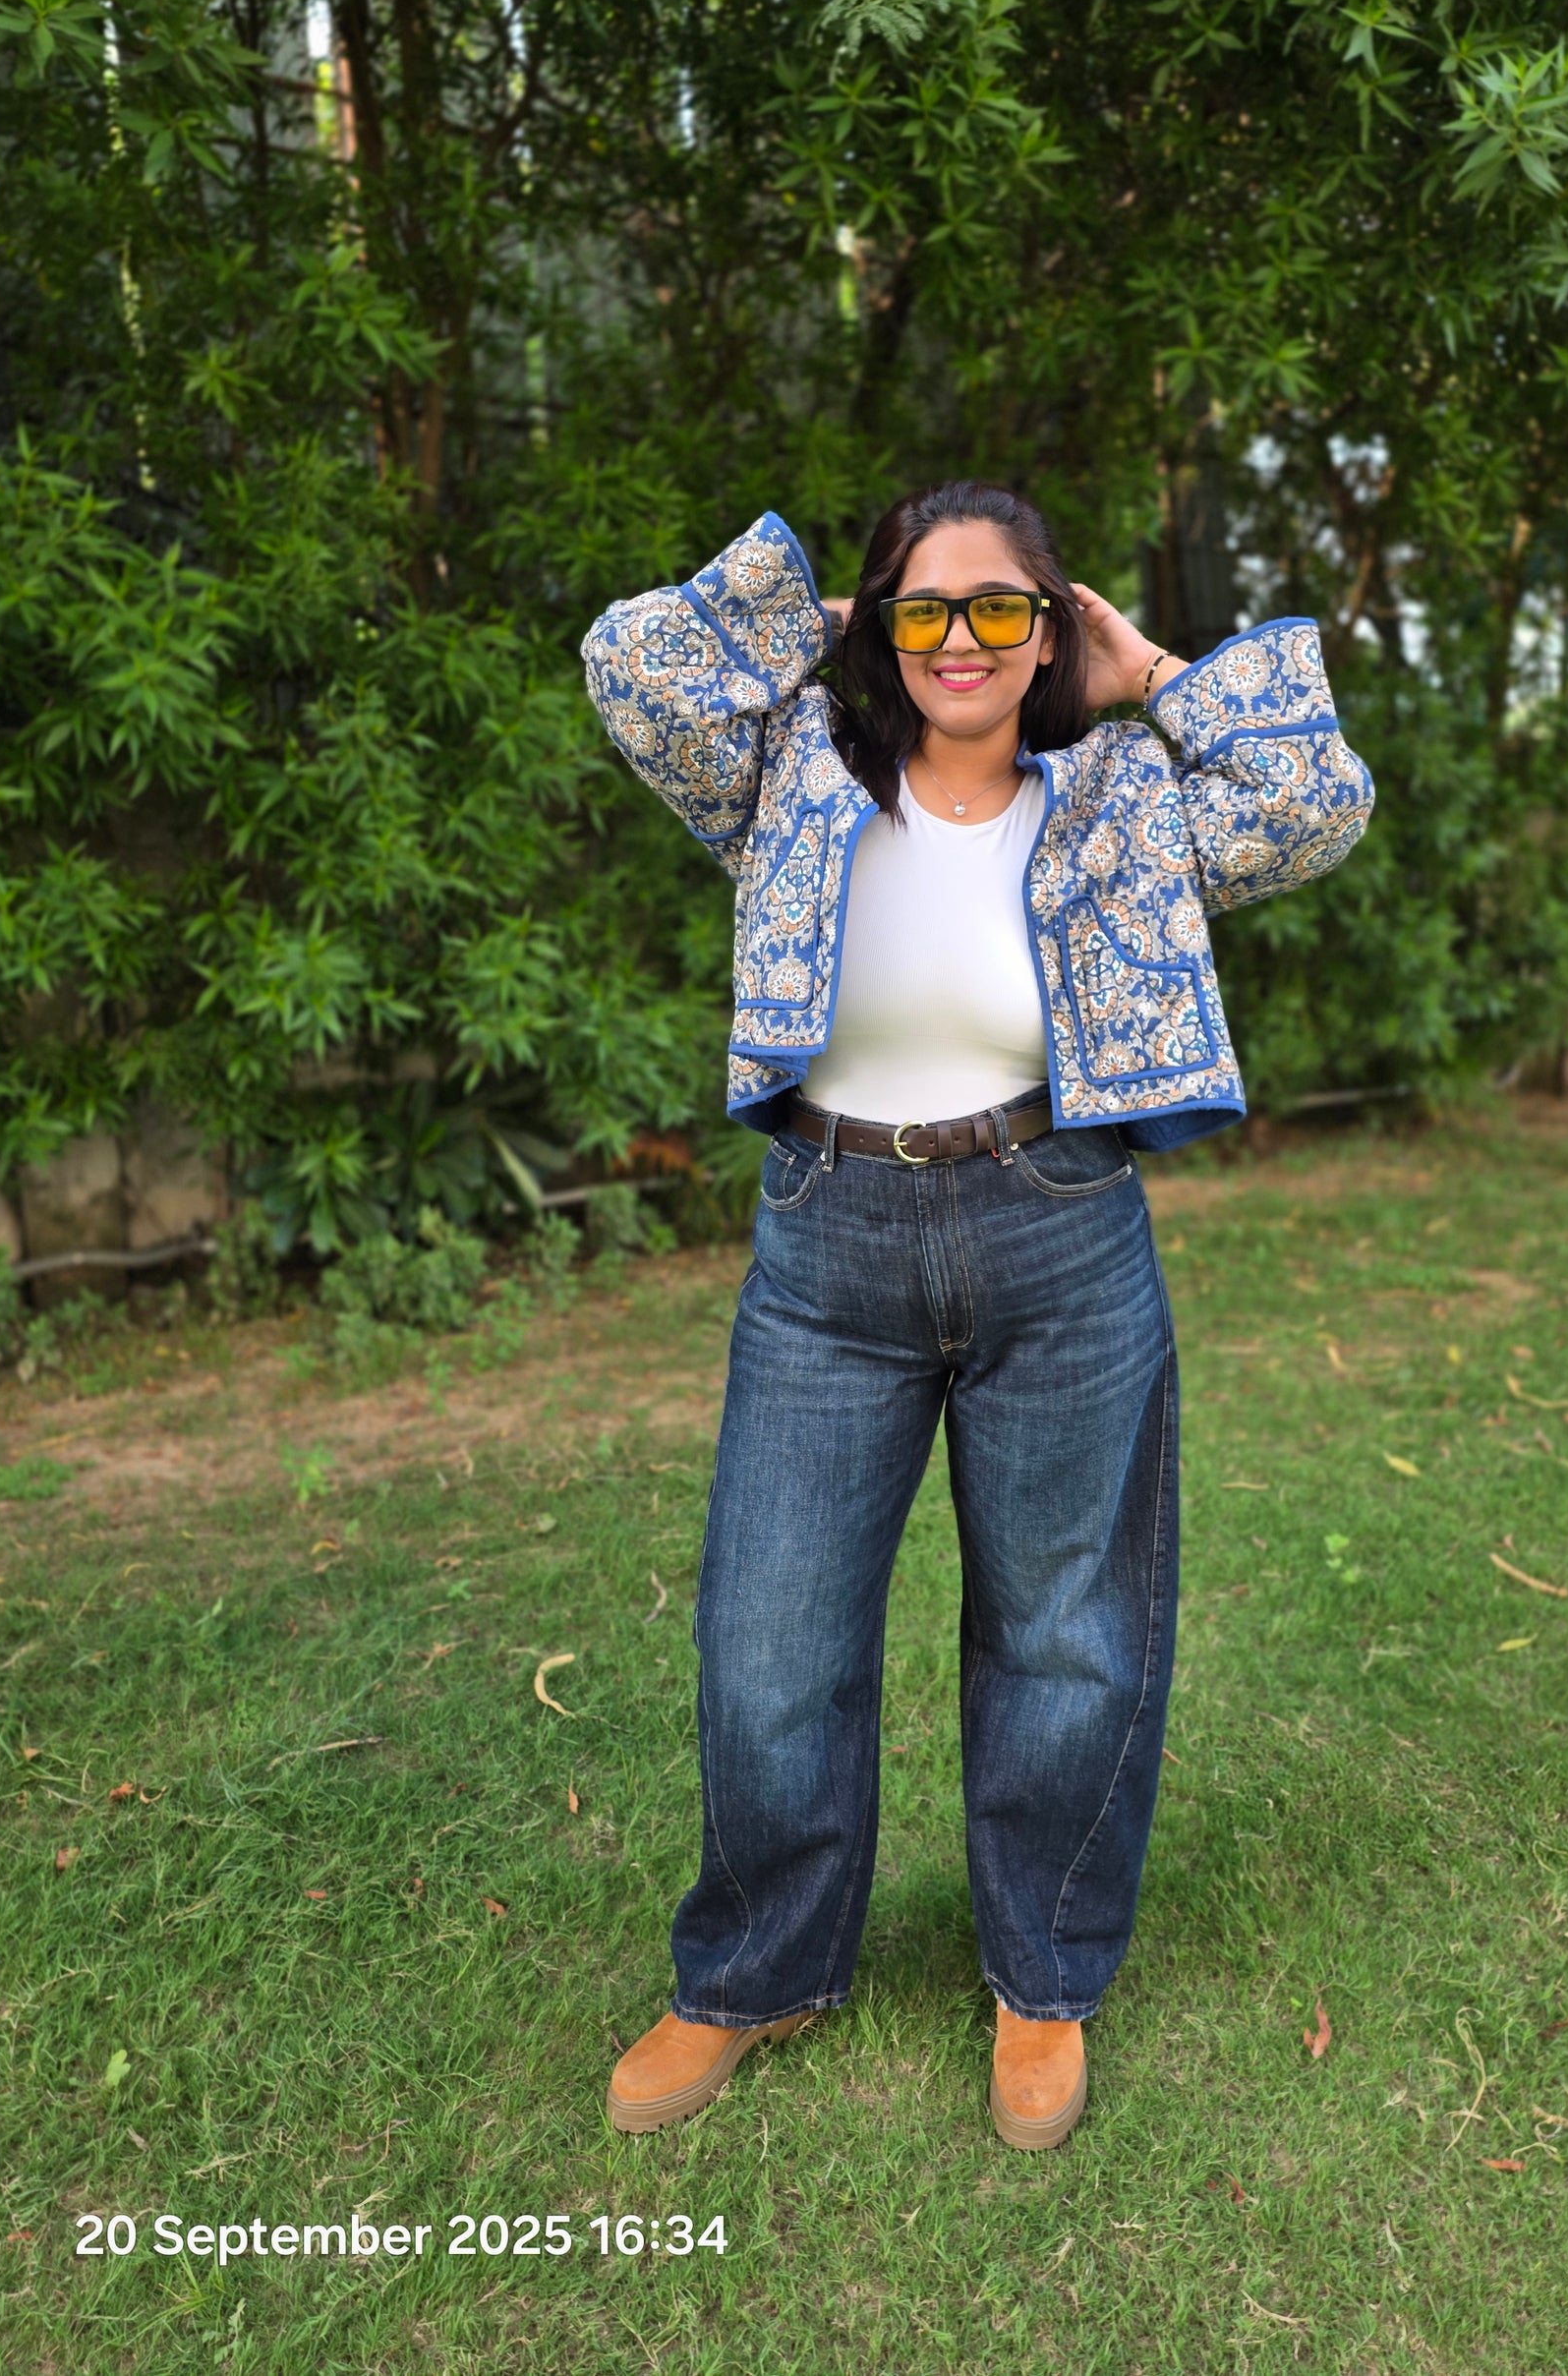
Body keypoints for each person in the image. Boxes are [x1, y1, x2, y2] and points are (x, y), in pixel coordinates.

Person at [581, 481, 1372, 2147]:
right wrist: (816, 625)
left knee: (1068, 1635)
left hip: (1059, 1231)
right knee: (768, 1643)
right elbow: (633, 669)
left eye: (999, 608)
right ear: (883, 625)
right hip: (827, 1249)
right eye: (925, 608)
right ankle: (755, 1972)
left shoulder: (1120, 799)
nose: (961, 640)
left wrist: (1149, 672)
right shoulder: (790, 774)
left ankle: (1043, 1978)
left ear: (1049, 625)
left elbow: (1314, 800)